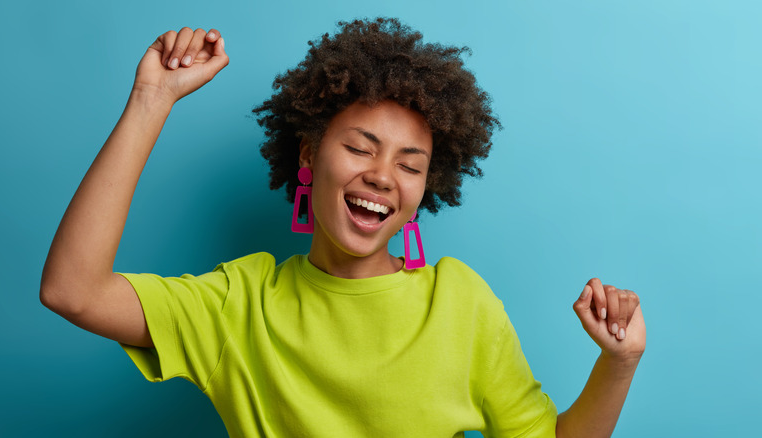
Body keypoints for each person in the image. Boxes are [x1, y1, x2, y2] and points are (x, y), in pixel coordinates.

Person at [41, 18, 645, 438]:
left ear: (422, 191)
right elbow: (73, 290)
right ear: (308, 155)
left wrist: (618, 364)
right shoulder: (239, 303)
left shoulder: (459, 303)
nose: (384, 176)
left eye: (410, 165)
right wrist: (152, 99)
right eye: (361, 148)